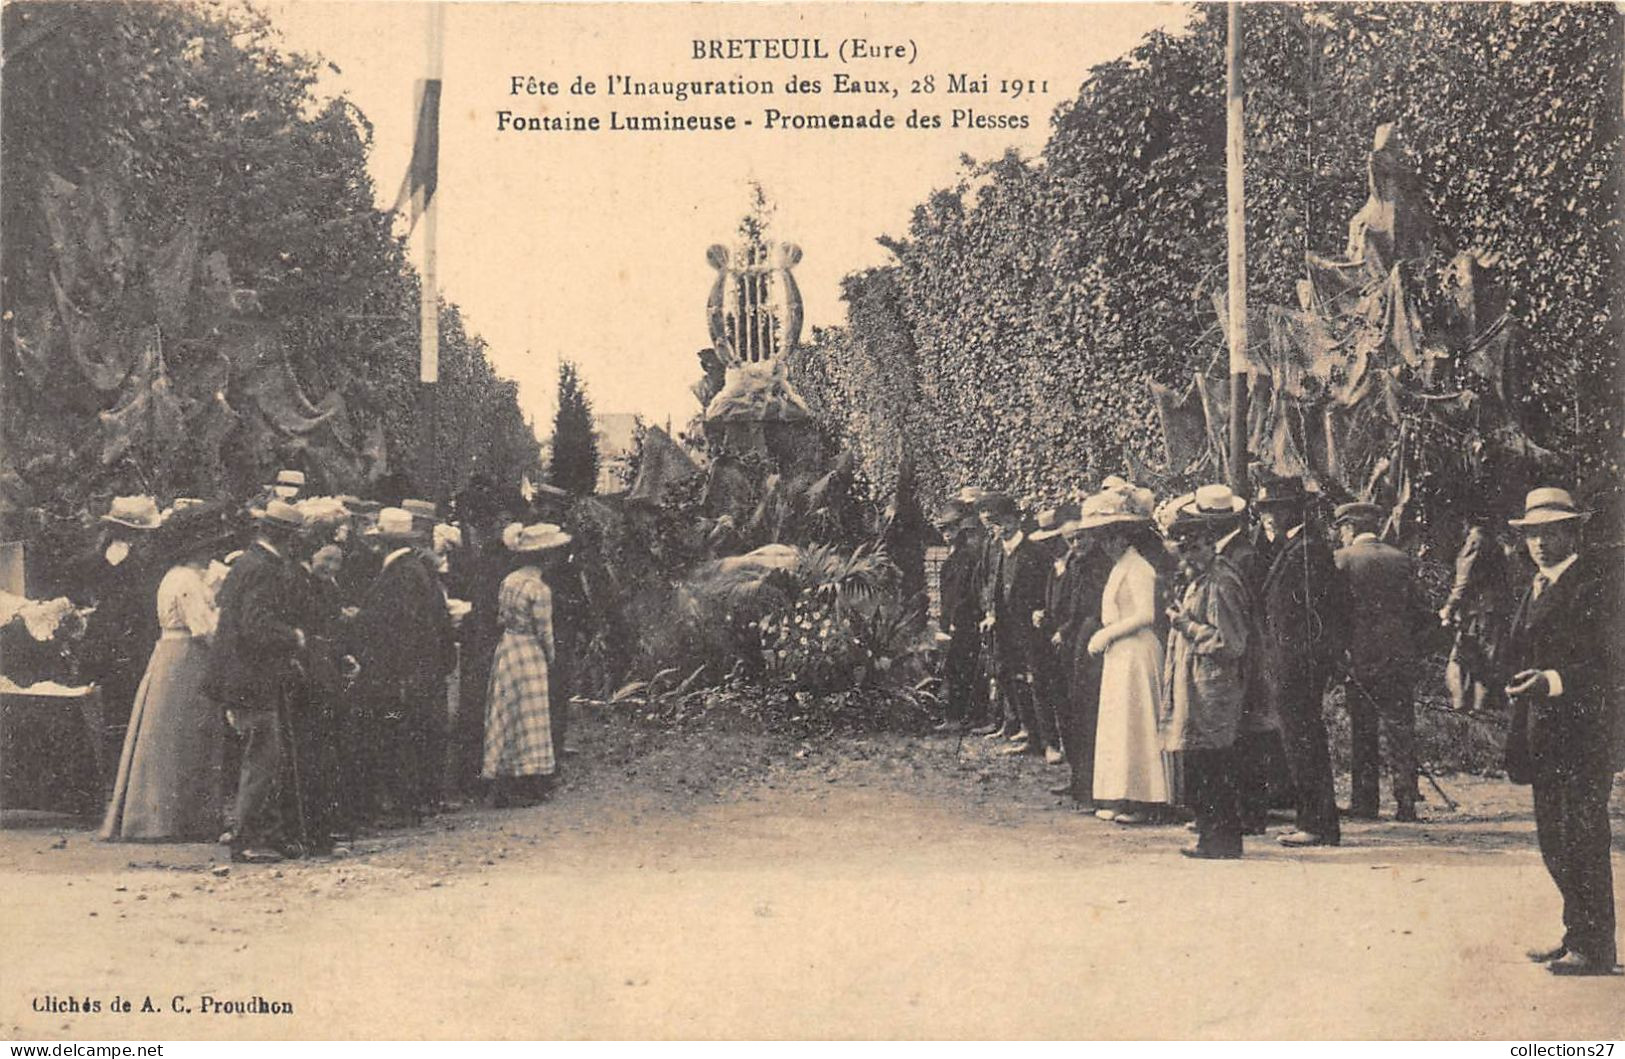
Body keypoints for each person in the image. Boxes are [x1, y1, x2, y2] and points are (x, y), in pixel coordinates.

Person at [1501, 487, 1619, 976]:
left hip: (1584, 735)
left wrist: (1551, 681)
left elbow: (1612, 668)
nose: (1541, 544)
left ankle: (1594, 946)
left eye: (1552, 534)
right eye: (1533, 535)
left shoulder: (1597, 587)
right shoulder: (1536, 585)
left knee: (1582, 838)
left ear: (1574, 532)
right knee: (1555, 840)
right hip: (1543, 735)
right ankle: (1577, 933)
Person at [101, 503, 237, 842]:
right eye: (207, 549)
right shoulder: (186, 580)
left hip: (175, 655)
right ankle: (168, 821)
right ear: (195, 550)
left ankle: (173, 818)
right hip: (185, 658)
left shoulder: (180, 577)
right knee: (182, 736)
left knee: (176, 735)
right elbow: (204, 629)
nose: (211, 555)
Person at [204, 499, 309, 864]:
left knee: (264, 755)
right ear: (287, 538)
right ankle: (246, 839)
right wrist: (292, 637)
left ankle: (266, 833)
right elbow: (256, 626)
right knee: (262, 758)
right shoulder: (264, 570)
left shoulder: (245, 564)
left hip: (240, 675)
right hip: (252, 677)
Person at [1254, 476, 1349, 847]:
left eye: (1273, 509)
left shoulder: (1308, 551)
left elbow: (1322, 613)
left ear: (1292, 510)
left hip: (1299, 664)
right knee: (1299, 741)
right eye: (1264, 510)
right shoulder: (1290, 548)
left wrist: (1312, 657)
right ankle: (1312, 819)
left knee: (1304, 740)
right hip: (1290, 662)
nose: (1267, 518)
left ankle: (1318, 823)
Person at [1160, 486, 1254, 859]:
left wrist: (1187, 626)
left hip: (1213, 689)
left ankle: (1221, 840)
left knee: (1215, 764)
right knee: (1203, 764)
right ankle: (1210, 835)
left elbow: (1231, 643)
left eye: (1193, 547)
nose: (1187, 555)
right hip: (1196, 684)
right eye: (1184, 548)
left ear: (1209, 545)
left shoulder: (1220, 582)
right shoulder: (1202, 579)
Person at [351, 507, 456, 825]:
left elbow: (404, 626)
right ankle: (416, 800)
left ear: (383, 543)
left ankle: (403, 805)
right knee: (409, 731)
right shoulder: (414, 568)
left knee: (399, 732)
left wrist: (363, 620)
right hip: (414, 669)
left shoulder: (402, 573)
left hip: (399, 671)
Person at [1079, 480, 1168, 824]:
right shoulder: (1121, 567)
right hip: (1121, 655)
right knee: (1122, 728)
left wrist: (1107, 633)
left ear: (1125, 537)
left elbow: (1146, 615)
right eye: (1104, 538)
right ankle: (1123, 796)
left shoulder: (1140, 568)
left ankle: (1146, 800)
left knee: (1138, 726)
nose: (1107, 544)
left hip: (1137, 652)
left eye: (1112, 537)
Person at [1333, 501, 1422, 822]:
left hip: (1359, 656)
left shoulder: (1342, 560)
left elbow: (1336, 614)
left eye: (1342, 529)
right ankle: (1406, 800)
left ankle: (1365, 802)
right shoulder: (1401, 560)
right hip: (1398, 654)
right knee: (1401, 727)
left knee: (1363, 728)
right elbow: (1417, 611)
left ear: (1349, 528)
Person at [483, 521, 573, 806]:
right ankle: (528, 779)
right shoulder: (539, 589)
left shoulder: (508, 580)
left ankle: (504, 777)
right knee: (532, 714)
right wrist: (551, 658)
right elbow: (545, 630)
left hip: (508, 648)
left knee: (508, 711)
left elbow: (500, 617)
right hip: (529, 650)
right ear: (545, 556)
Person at [79, 495, 164, 768]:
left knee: (109, 698)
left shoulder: (100, 553)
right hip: (127, 634)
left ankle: (112, 762)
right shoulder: (135, 561)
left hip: (105, 632)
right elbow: (140, 600)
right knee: (126, 697)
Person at [1045, 510, 1116, 807]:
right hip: (1069, 642)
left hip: (1087, 641)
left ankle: (1090, 785)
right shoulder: (1073, 561)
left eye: (1081, 537)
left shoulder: (1101, 565)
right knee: (1070, 710)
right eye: (1070, 539)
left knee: (1088, 712)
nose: (1076, 543)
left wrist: (1067, 629)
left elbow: (1091, 608)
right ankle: (1078, 778)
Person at [1440, 508, 1511, 715]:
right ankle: (1476, 710)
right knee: (1485, 659)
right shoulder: (1494, 543)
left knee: (1460, 658)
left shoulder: (1475, 541)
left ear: (1465, 521)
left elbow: (1463, 580)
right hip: (1492, 609)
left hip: (1478, 611)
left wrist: (1449, 607)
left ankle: (1461, 706)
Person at [1027, 503, 1079, 765]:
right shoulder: (1052, 566)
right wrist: (1042, 614)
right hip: (1048, 638)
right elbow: (1050, 602)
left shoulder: (1075, 566)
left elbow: (1079, 607)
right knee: (1043, 685)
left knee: (1065, 695)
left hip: (1067, 639)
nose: (1049, 546)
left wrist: (1064, 629)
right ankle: (1052, 743)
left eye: (1054, 541)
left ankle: (1070, 748)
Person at [933, 495, 985, 732]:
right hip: (952, 623)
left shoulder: (968, 558)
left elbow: (966, 595)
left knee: (965, 668)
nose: (947, 534)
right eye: (943, 529)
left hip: (965, 623)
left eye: (951, 528)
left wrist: (956, 621)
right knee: (955, 668)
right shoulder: (951, 560)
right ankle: (957, 716)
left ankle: (967, 716)